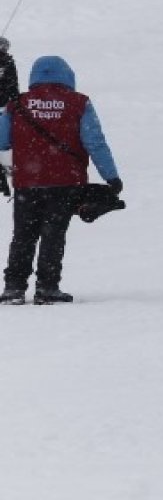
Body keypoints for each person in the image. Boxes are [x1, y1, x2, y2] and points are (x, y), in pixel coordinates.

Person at [0, 56, 121, 305]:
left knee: (23, 235)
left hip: (27, 183)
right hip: (66, 183)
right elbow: (94, 143)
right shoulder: (79, 104)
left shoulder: (17, 104)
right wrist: (111, 176)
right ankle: (47, 288)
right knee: (53, 234)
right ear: (68, 76)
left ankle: (13, 288)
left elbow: (2, 140)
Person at [0, 37, 19, 108]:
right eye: (3, 46)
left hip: (3, 100)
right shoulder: (8, 62)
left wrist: (16, 99)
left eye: (6, 47)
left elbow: (13, 82)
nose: (4, 49)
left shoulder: (9, 62)